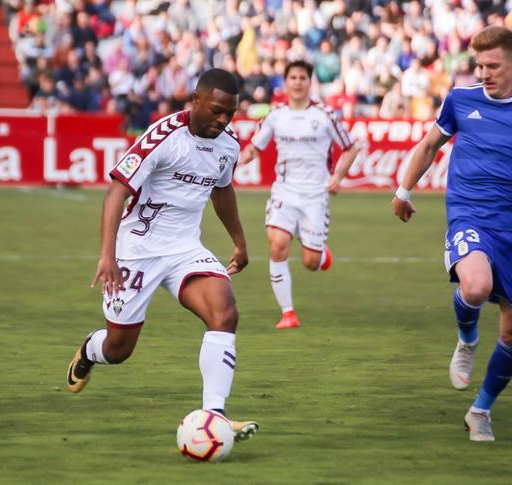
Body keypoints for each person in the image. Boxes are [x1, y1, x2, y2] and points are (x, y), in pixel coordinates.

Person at [391, 26, 512, 441]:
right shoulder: (460, 99)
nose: (483, 73)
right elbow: (427, 147)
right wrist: (403, 191)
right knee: (475, 287)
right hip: (470, 216)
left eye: (492, 66)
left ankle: (481, 409)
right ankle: (467, 339)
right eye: (478, 65)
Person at [66, 68, 259, 442]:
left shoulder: (229, 144)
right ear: (196, 101)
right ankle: (91, 350)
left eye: (230, 113)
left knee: (225, 313)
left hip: (185, 247)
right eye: (217, 110)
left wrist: (239, 241)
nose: (223, 120)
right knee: (119, 349)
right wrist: (108, 255)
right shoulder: (164, 137)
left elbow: (223, 189)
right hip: (136, 251)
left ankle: (214, 416)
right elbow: (116, 191)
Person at [239, 60, 358, 330]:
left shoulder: (325, 115)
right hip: (285, 190)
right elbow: (254, 148)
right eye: (292, 77)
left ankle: (319, 252)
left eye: (302, 77)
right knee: (278, 243)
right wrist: (235, 161)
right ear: (286, 82)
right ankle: (288, 313)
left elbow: (350, 148)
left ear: (309, 81)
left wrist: (337, 176)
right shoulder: (275, 115)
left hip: (315, 195)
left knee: (310, 262)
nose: (297, 82)